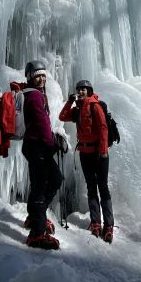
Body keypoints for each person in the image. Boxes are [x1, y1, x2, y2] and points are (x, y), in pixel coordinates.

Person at [59, 79, 114, 243]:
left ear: (89, 91)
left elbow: (103, 128)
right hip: (85, 153)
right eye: (79, 89)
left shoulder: (94, 105)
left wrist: (103, 150)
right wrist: (69, 102)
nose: (81, 91)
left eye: (84, 89)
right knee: (91, 187)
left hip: (98, 153)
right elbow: (62, 116)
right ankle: (96, 222)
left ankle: (109, 225)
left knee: (102, 187)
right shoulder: (77, 109)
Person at [21, 59, 63, 250]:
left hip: (34, 145)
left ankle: (36, 215)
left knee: (52, 179)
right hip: (38, 145)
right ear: (30, 77)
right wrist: (51, 143)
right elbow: (41, 123)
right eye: (37, 76)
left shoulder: (34, 95)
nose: (41, 79)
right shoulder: (35, 97)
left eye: (43, 76)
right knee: (43, 184)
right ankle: (37, 234)